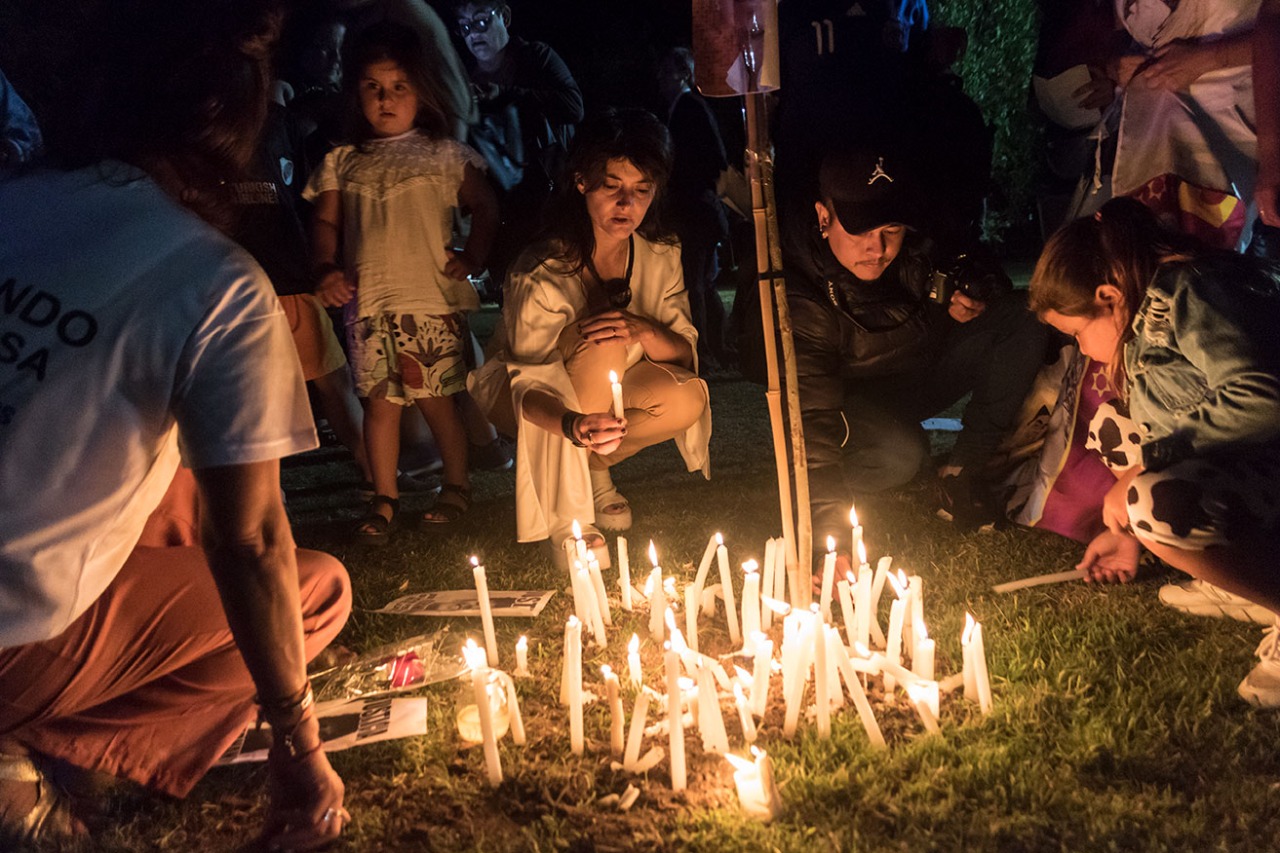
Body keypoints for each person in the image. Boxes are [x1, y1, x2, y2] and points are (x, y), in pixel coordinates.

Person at [0, 1, 351, 847]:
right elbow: (253, 540)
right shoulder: (216, 283)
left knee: (180, 494)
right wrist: (300, 747)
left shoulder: (15, 202)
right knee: (312, 589)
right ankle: (25, 758)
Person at [1028, 197, 1280, 706]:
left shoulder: (1192, 293)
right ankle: (1244, 581)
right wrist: (1132, 539)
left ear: (1108, 296)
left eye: (1077, 333)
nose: (1080, 348)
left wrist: (1148, 468)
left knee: (1151, 498)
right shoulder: (1143, 323)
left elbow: (1263, 397)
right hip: (1247, 471)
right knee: (1112, 434)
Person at [469, 108, 711, 557]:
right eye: (612, 186)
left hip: (606, 388)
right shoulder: (540, 269)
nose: (627, 205)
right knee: (605, 340)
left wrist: (641, 328)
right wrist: (573, 424)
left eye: (641, 190)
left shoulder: (660, 254)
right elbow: (530, 385)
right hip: (526, 398)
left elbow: (681, 352)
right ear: (581, 182)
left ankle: (594, 468)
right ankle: (572, 517)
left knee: (686, 397)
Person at [782, 144, 1051, 546]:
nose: (879, 248)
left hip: (915, 373)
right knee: (901, 456)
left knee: (1022, 316)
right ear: (824, 217)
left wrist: (971, 290)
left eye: (890, 229)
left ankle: (961, 474)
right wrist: (827, 531)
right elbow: (812, 408)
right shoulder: (799, 286)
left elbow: (973, 260)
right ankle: (855, 465)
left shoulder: (916, 237)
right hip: (847, 403)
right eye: (861, 231)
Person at [304, 21, 499, 541]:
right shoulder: (342, 161)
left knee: (438, 401)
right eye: (373, 88)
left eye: (398, 88)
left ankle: (456, 485)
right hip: (366, 307)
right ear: (356, 92)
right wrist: (325, 268)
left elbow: (485, 205)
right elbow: (324, 222)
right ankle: (384, 496)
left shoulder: (441, 155)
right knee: (379, 405)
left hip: (427, 303)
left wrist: (472, 256)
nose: (385, 100)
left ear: (422, 91)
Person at [453, 0, 585, 293]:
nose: (473, 33)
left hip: (548, 207)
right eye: (464, 27)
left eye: (481, 22)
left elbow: (573, 107)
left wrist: (506, 95)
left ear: (505, 17)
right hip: (501, 215)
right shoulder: (466, 81)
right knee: (512, 301)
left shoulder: (535, 58)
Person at [655, 47, 731, 370]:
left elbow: (713, 158)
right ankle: (721, 346)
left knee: (695, 284)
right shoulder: (684, 108)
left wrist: (688, 186)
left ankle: (707, 350)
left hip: (694, 211)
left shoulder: (689, 108)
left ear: (684, 74)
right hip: (696, 210)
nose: (661, 79)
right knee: (702, 283)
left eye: (667, 72)